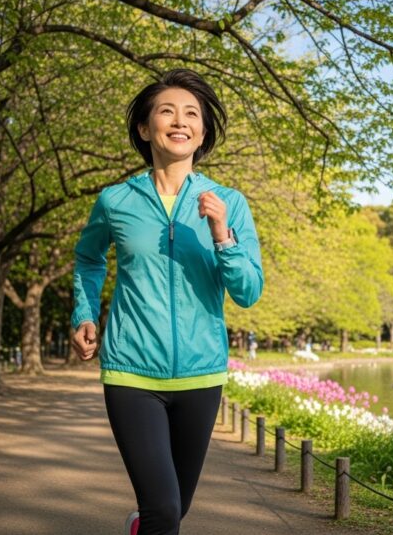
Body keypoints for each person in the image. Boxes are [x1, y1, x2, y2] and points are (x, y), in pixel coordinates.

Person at [70, 69, 264, 535]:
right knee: (162, 509)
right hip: (131, 370)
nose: (181, 121)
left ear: (202, 133)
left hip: (202, 372)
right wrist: (83, 312)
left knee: (176, 507)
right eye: (168, 111)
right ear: (145, 128)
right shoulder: (116, 200)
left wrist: (223, 236)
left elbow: (248, 291)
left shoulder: (230, 203)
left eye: (192, 114)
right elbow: (88, 257)